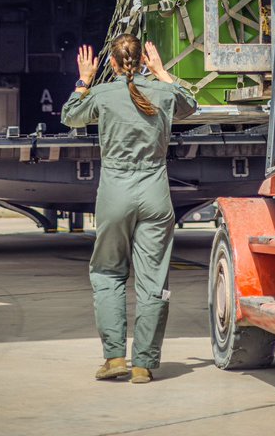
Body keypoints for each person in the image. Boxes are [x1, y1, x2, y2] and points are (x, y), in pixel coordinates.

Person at [61, 34, 197, 384]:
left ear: (112, 63)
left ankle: (115, 358)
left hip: (115, 191)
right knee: (153, 281)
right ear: (142, 60)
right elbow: (190, 104)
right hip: (155, 191)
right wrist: (162, 72)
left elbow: (70, 116)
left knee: (108, 273)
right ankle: (144, 364)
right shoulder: (163, 93)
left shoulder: (103, 94)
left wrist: (84, 80)